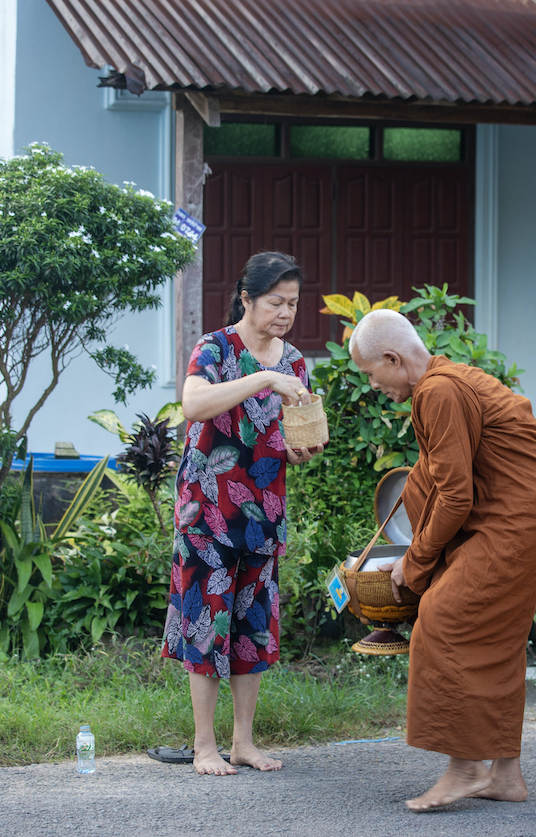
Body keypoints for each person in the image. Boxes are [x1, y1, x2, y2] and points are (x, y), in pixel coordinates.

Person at [348, 309, 536, 811]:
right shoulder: (445, 379)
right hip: (527, 510)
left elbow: (454, 496)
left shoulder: (437, 390)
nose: (373, 385)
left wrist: (414, 564)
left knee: (444, 621)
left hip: (515, 518)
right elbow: (441, 474)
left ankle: (466, 768)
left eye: (371, 374)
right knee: (498, 636)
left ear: (392, 358)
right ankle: (505, 776)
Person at [162, 251, 323, 776]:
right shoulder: (215, 347)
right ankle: (204, 745)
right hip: (207, 508)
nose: (285, 312)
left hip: (262, 508)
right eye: (276, 301)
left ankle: (244, 743)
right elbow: (194, 405)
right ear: (247, 298)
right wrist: (263, 379)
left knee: (252, 624)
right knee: (207, 619)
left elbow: (290, 432)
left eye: (293, 304)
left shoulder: (295, 361)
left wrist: (299, 447)